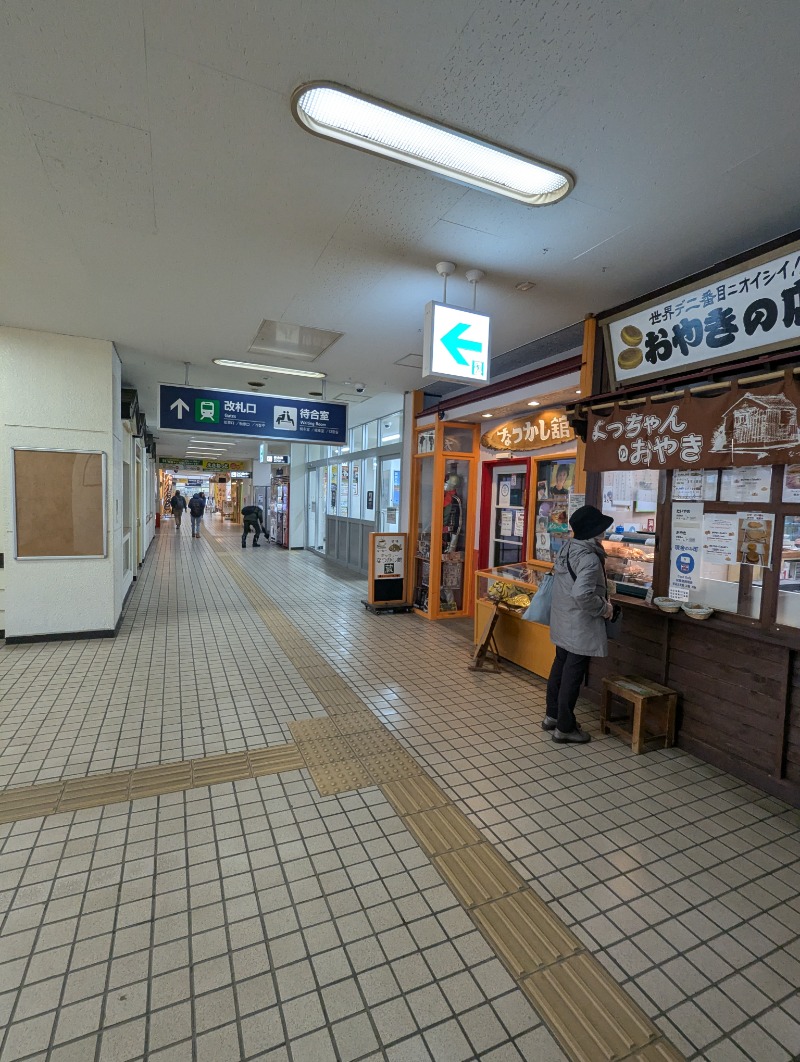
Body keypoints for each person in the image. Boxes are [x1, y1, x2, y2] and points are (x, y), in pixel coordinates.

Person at [543, 504, 614, 744]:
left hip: (563, 619)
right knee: (572, 674)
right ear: (595, 531)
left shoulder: (567, 547)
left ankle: (552, 716)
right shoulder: (590, 558)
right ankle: (564, 727)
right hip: (579, 624)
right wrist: (604, 609)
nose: (604, 532)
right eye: (602, 528)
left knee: (560, 667)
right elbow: (582, 594)